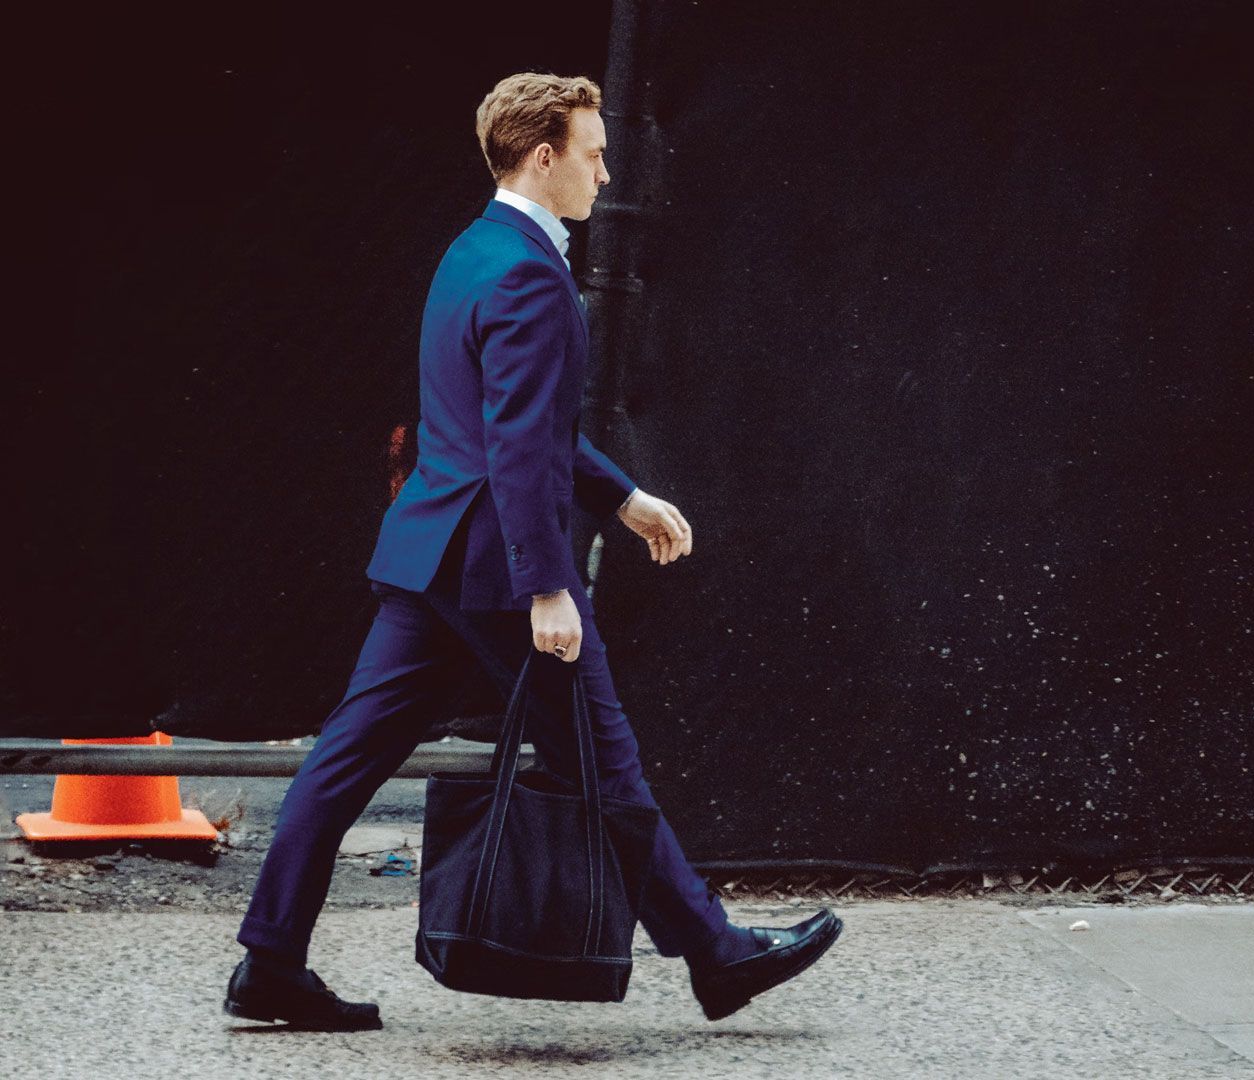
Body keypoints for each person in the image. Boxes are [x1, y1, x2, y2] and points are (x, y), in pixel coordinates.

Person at [224, 71, 841, 1031]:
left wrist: (623, 495)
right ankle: (716, 954)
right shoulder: (526, 272)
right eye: (593, 154)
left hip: (428, 559)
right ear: (543, 156)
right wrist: (546, 587)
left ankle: (268, 963)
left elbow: (503, 422)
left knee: (342, 760)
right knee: (606, 760)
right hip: (497, 574)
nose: (606, 172)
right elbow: (514, 445)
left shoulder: (471, 252)